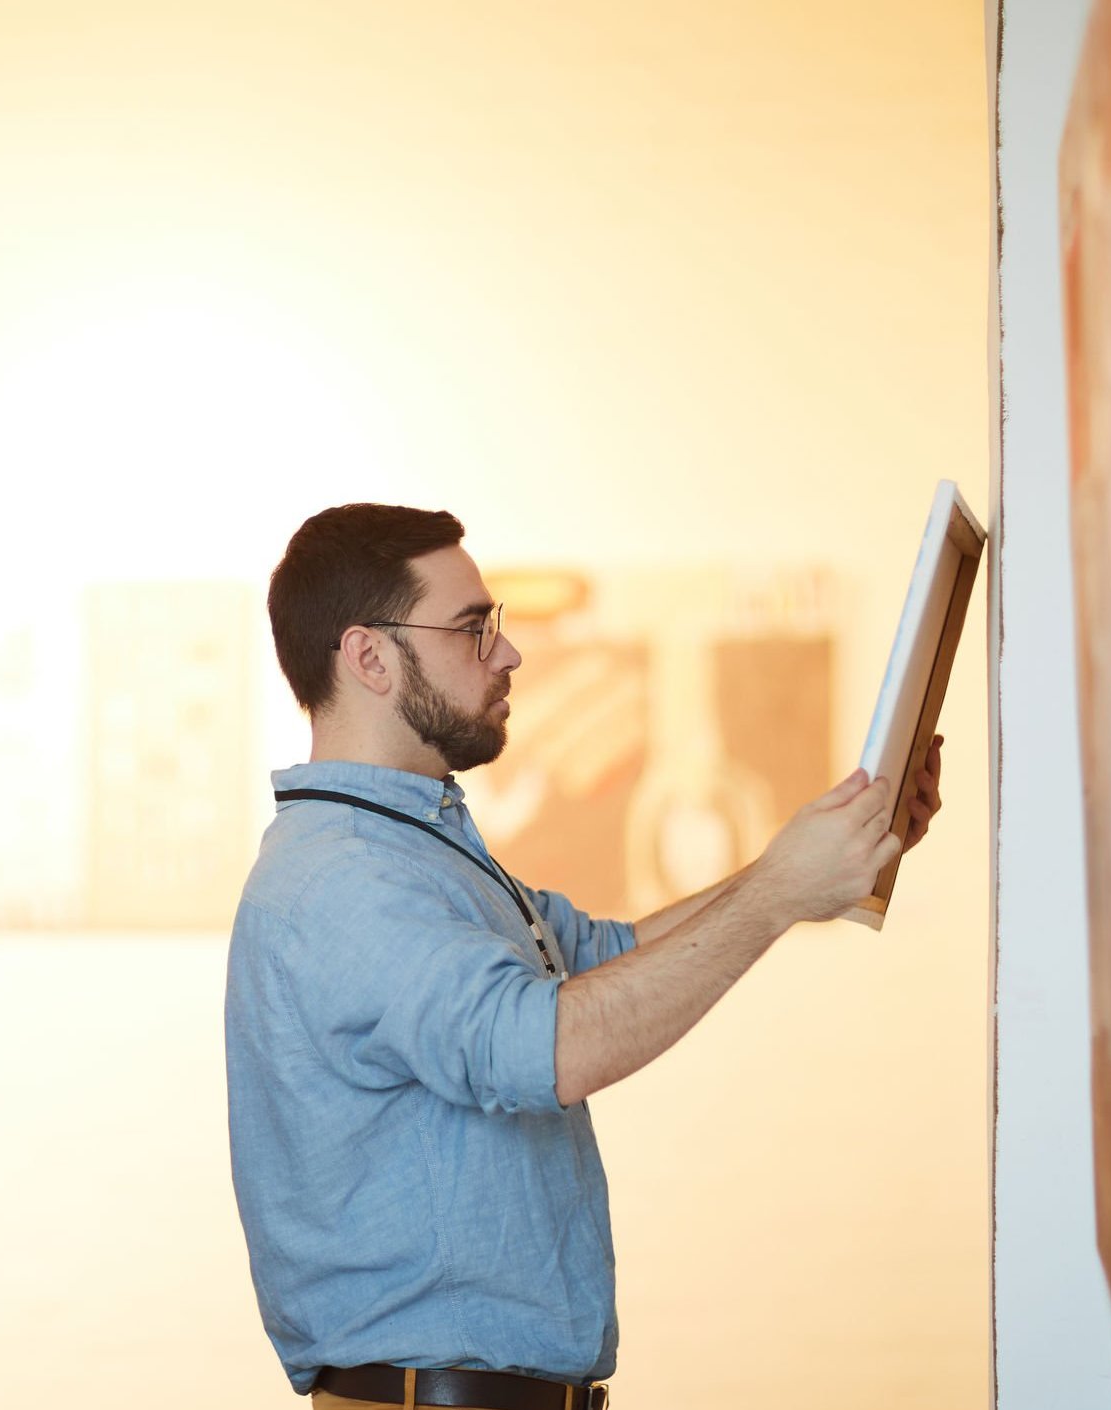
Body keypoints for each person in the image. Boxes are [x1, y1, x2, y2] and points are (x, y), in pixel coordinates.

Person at [225, 504, 943, 1410]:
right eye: (473, 629)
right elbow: (549, 1046)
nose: (507, 654)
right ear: (368, 657)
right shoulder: (346, 878)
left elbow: (616, 955)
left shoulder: (413, 850)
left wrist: (816, 865)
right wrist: (778, 896)